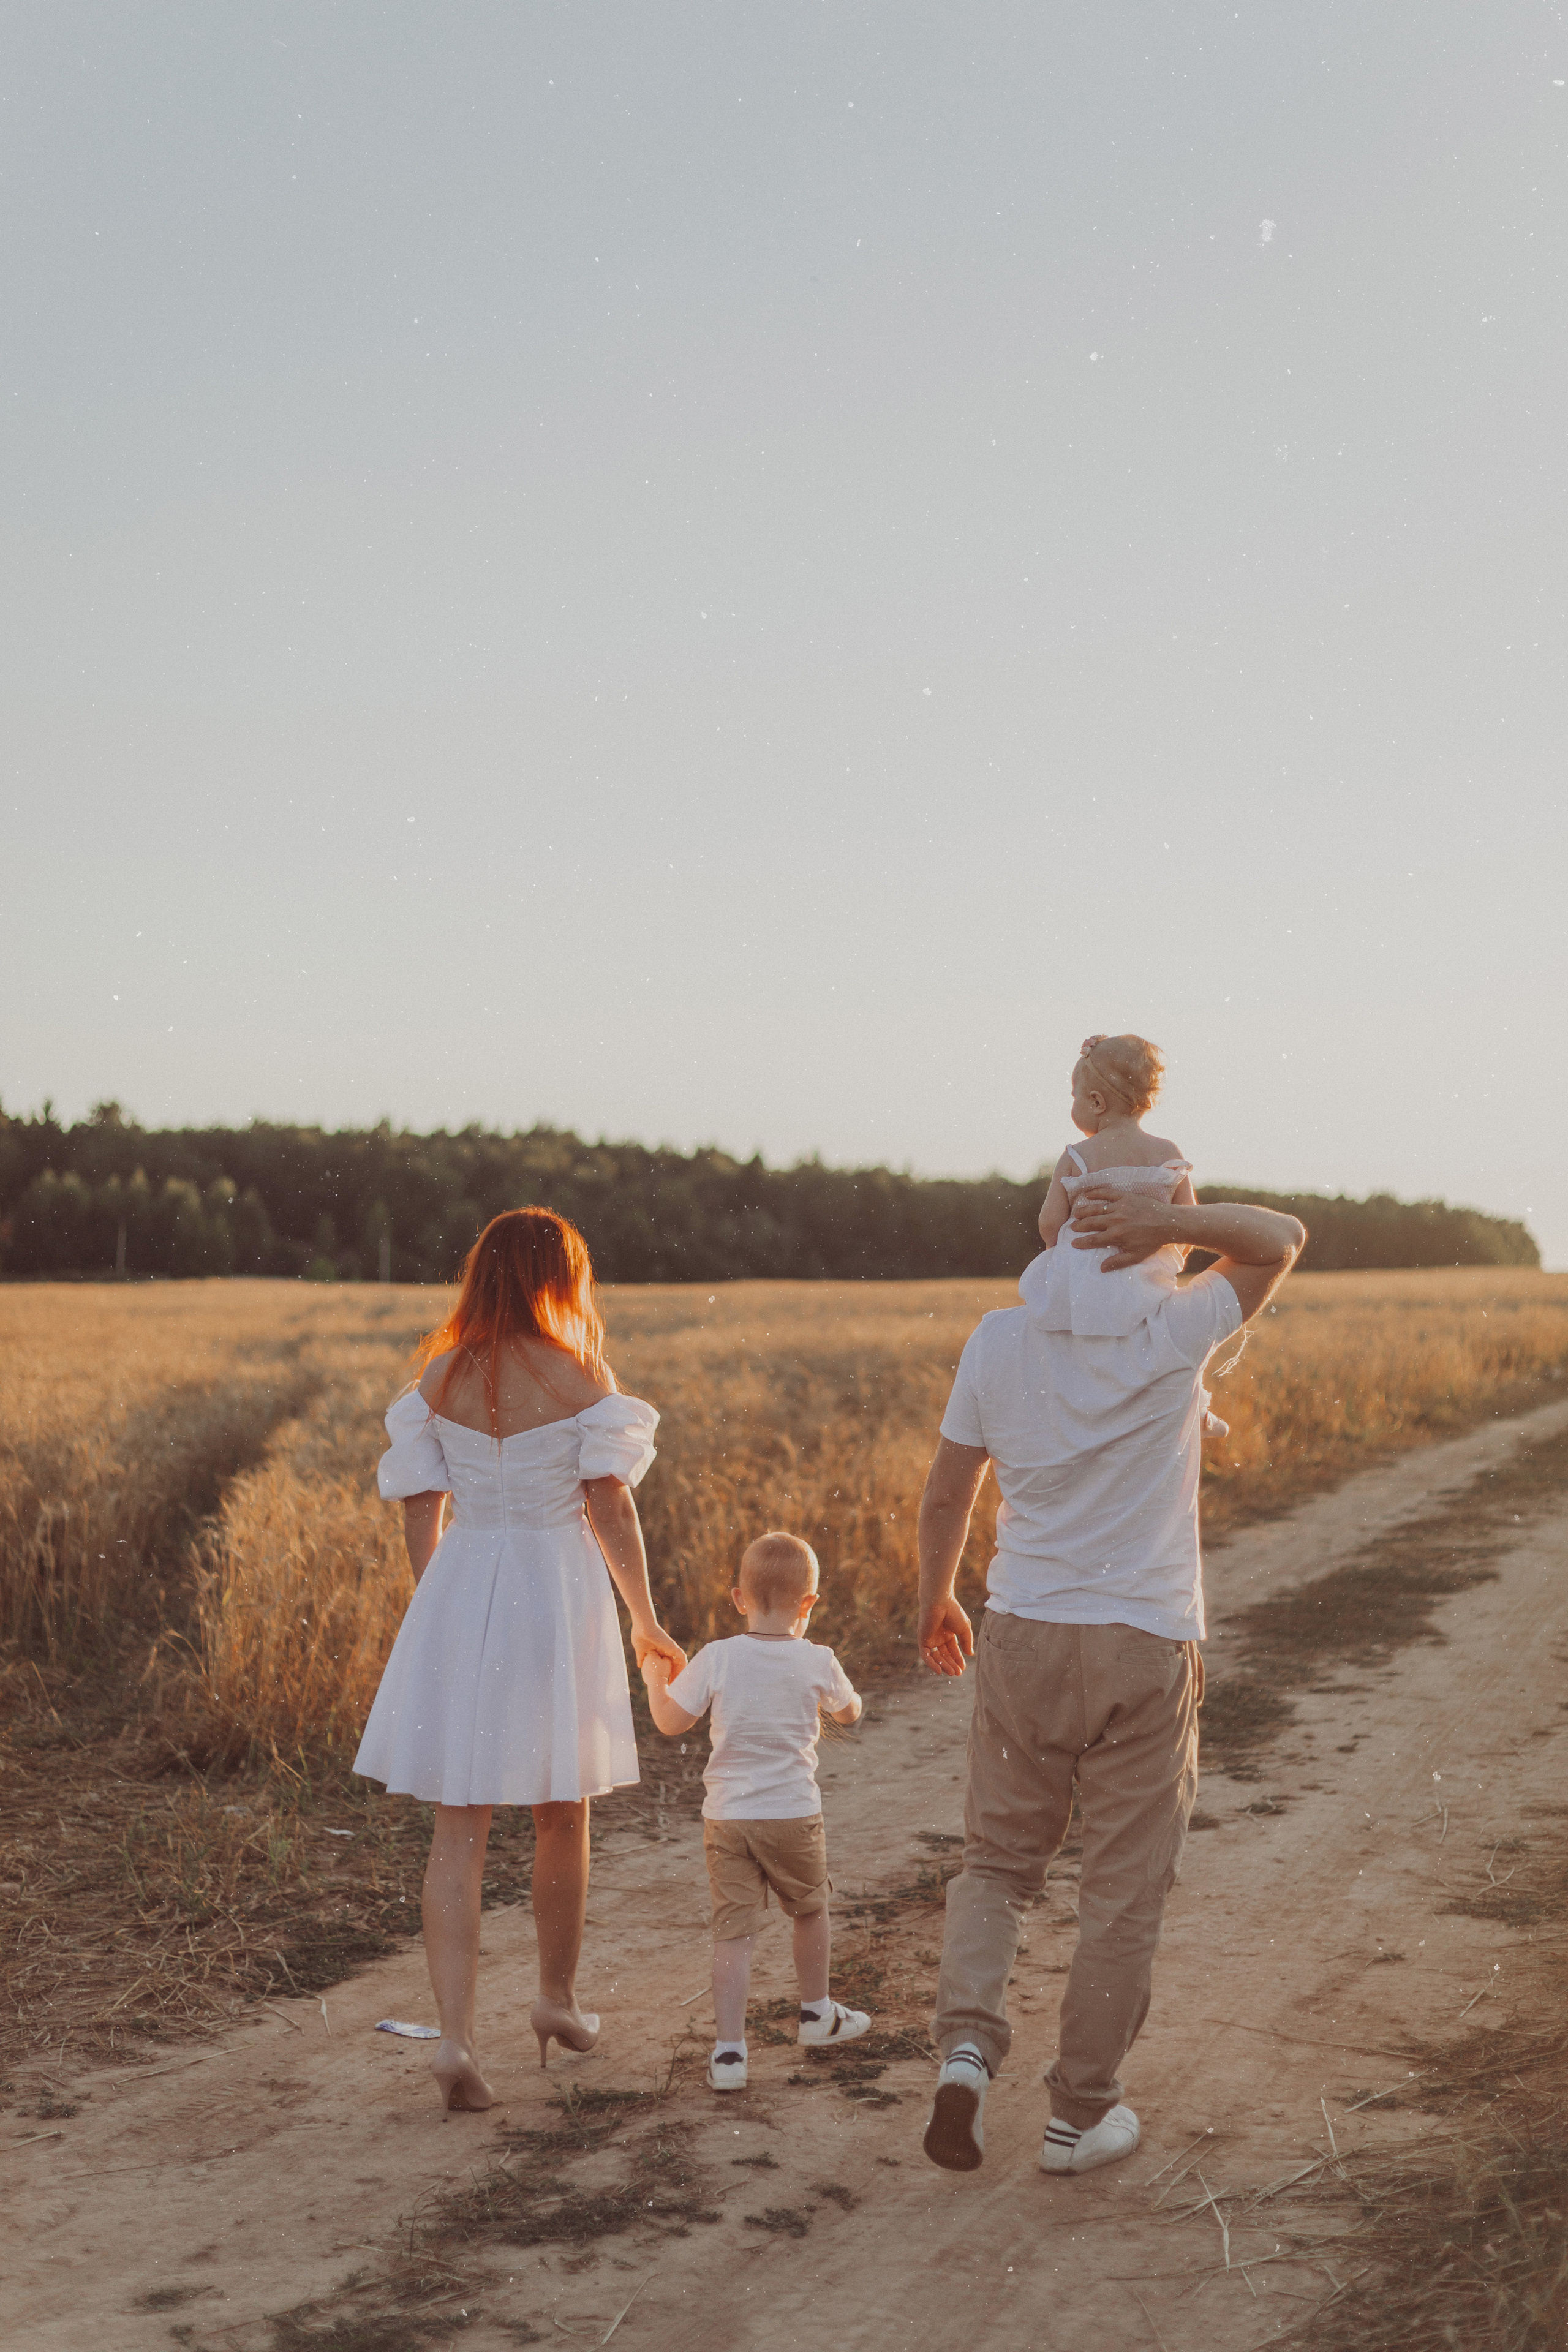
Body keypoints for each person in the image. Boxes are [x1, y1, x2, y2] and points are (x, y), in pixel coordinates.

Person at [918, 1182, 1305, 2176]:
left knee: (997, 1865)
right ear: (1148, 1235)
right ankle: (1079, 2116)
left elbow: (951, 1486)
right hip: (1141, 1639)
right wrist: (1173, 1224)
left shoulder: (998, 1337)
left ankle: (966, 2054)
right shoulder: (1178, 1327)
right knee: (1123, 1891)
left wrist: (936, 1597)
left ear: (1052, 1227)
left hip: (1023, 1634)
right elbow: (1281, 1238)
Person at [355, 1207, 685, 2113]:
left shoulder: (439, 1377)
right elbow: (610, 1506)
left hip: (462, 1583)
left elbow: (419, 1510)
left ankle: (455, 2040)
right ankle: (555, 2000)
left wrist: (443, 1607)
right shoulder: (581, 1375)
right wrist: (645, 1619)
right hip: (555, 1591)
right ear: (559, 1277)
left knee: (457, 1827)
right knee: (560, 1811)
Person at [641, 1531, 869, 2091]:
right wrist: (845, 1698)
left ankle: (729, 2055)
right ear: (809, 1603)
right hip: (793, 1815)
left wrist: (655, 1680)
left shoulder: (718, 1657)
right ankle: (816, 2014)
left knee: (733, 1933)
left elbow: (670, 1722)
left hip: (729, 1819)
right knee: (810, 1910)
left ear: (739, 1599)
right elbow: (850, 1712)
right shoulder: (818, 1659)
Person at [1025, 1032, 1197, 1340]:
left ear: (1096, 1102)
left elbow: (1050, 1226)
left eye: (1075, 1096)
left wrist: (1060, 1249)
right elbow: (1189, 1221)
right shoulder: (1167, 1153)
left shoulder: (1076, 1157)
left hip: (1083, 1287)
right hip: (1146, 1282)